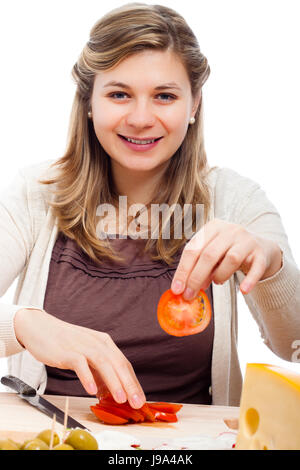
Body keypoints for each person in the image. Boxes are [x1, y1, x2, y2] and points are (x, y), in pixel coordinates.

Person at [0, 2, 299, 408]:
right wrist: (21, 324)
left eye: (164, 95)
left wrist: (270, 264)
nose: (141, 118)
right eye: (119, 94)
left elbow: (294, 346)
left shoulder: (237, 200)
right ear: (89, 101)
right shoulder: (35, 193)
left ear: (193, 104)